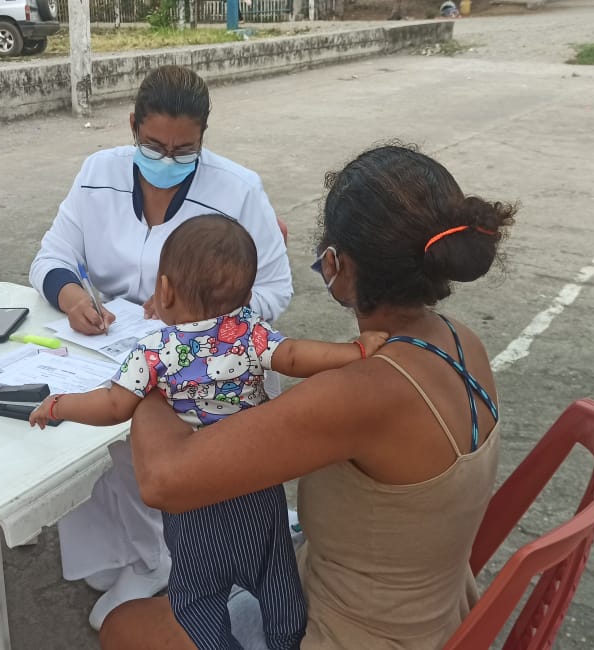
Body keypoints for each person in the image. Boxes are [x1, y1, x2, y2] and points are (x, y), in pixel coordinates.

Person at [100, 144, 517, 650]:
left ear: (338, 266)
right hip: (433, 613)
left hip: (356, 634)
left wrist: (157, 365)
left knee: (124, 626)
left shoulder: (364, 393)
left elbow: (163, 480)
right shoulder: (461, 340)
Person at [30, 215, 387, 649]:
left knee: (198, 596)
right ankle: (285, 638)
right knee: (275, 575)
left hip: (195, 499)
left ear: (163, 291)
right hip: (253, 486)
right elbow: (295, 356)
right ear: (247, 296)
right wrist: (354, 351)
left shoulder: (153, 351)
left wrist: (58, 404)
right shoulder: (251, 334)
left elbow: (112, 405)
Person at [28, 64, 293, 629]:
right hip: (115, 341)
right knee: (83, 428)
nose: (167, 160)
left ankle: (156, 556)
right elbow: (51, 256)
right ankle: (116, 551)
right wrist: (73, 297)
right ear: (132, 126)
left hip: (207, 360)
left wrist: (197, 314)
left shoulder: (238, 190)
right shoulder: (97, 174)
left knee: (146, 435)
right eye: (153, 146)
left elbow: (275, 290)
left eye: (183, 150)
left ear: (203, 139)